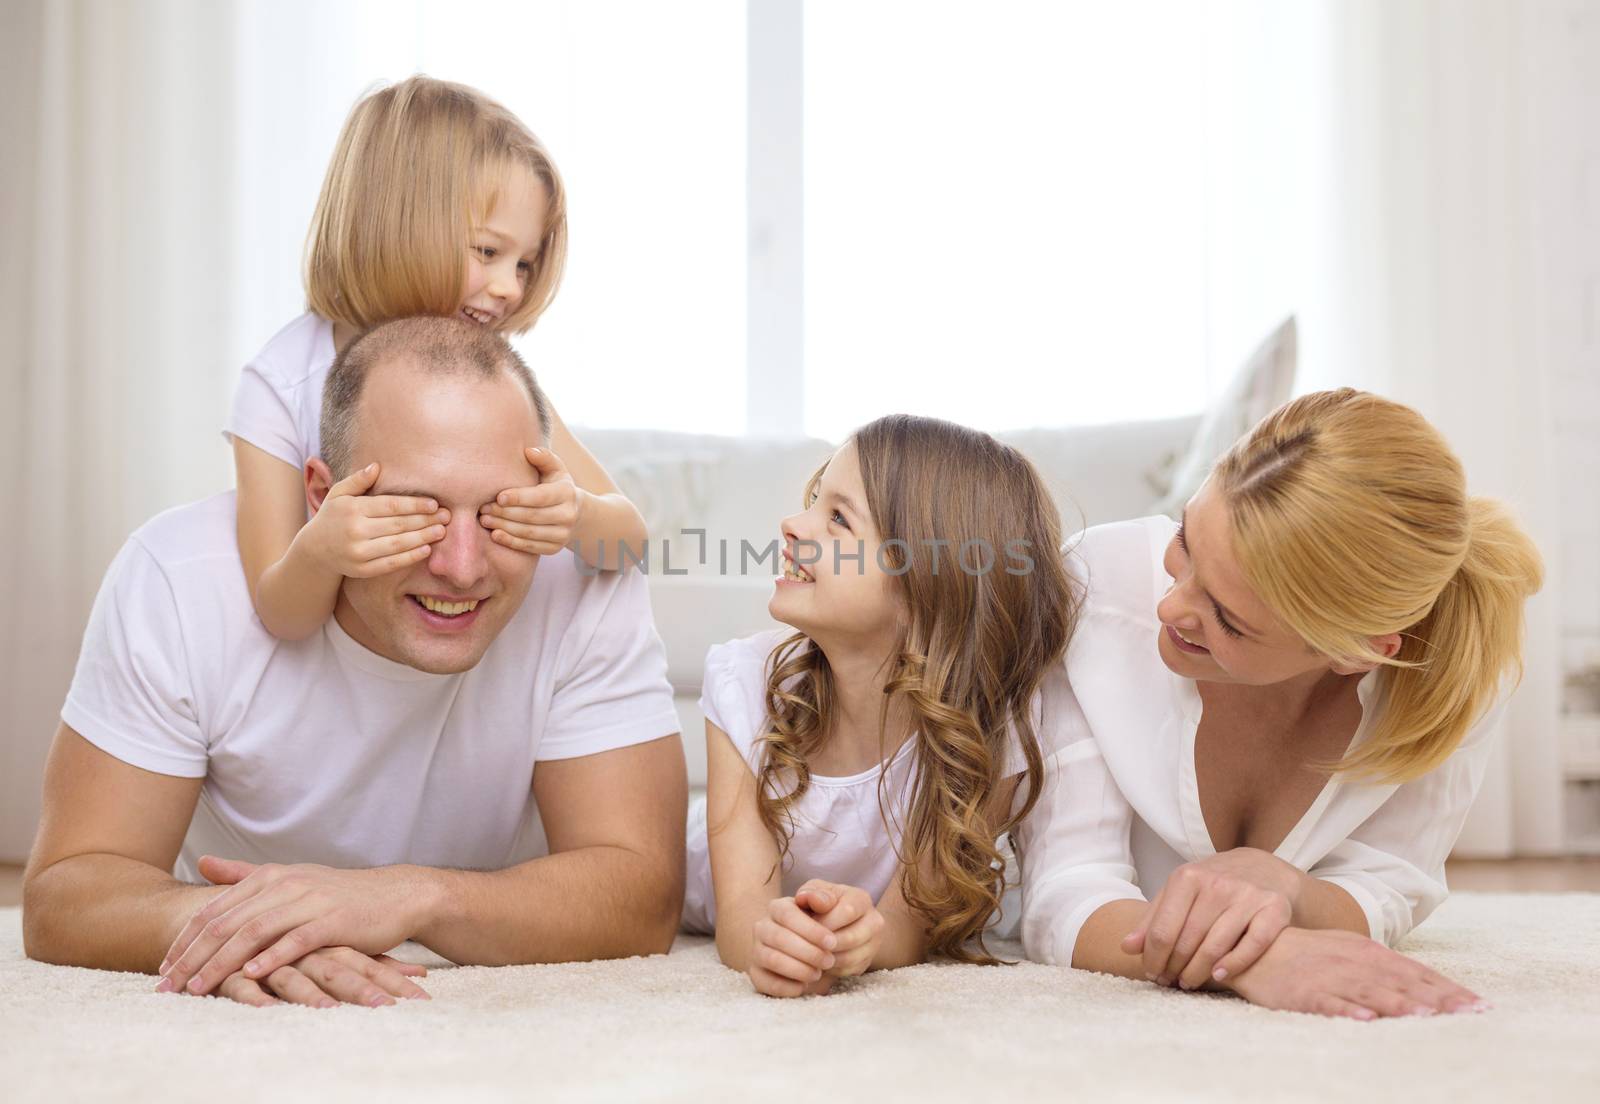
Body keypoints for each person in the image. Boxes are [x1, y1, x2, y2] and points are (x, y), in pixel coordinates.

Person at [23, 317, 686, 1009]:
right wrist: (251, 927)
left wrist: (409, 897)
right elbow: (67, 892)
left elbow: (641, 897)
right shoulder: (180, 577)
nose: (461, 568)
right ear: (320, 495)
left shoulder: (584, 583)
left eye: (501, 513)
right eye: (413, 512)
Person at [1017, 388, 1543, 1020]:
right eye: (1186, 542)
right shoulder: (1090, 597)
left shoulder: (1448, 670)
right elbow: (1062, 892)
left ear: (1357, 653)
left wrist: (1287, 888)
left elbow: (1389, 883)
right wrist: (1259, 959)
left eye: (1229, 619)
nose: (1170, 607)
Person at [229, 76, 646, 644]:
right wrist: (322, 552)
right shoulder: (278, 384)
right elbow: (283, 616)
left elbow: (631, 544)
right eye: (489, 252)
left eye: (523, 264)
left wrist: (576, 516)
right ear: (398, 221)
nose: (511, 289)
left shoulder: (492, 381)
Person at [683, 415, 1078, 996]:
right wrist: (767, 943)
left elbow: (907, 925)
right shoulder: (744, 686)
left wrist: (857, 942)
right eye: (815, 500)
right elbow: (741, 913)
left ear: (929, 584)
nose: (793, 524)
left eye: (837, 518)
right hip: (698, 887)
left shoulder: (989, 728)